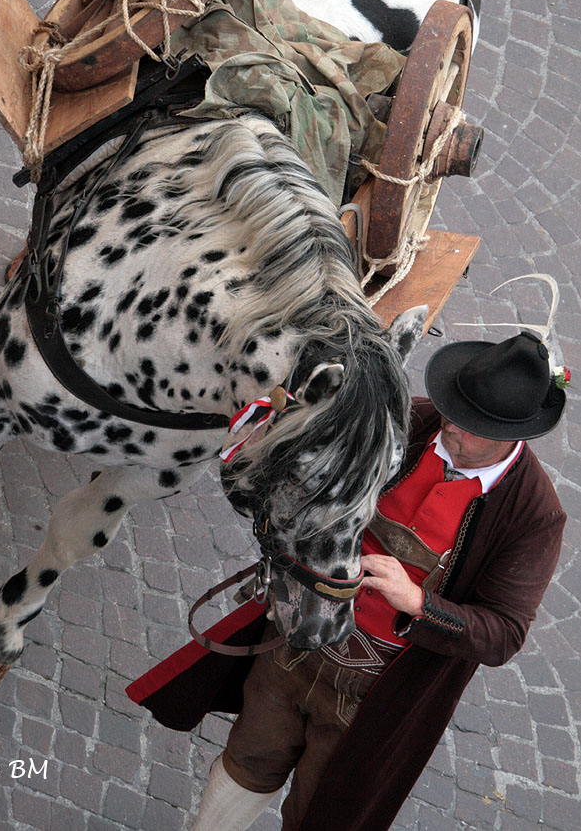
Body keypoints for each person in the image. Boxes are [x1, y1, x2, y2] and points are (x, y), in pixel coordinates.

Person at [127, 330, 568, 831]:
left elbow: (504, 634)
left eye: (470, 425)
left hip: (375, 693)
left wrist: (420, 603)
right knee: (246, 761)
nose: (450, 427)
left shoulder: (534, 515)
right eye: (453, 409)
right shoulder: (409, 418)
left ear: (514, 433)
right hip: (294, 641)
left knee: (323, 815)